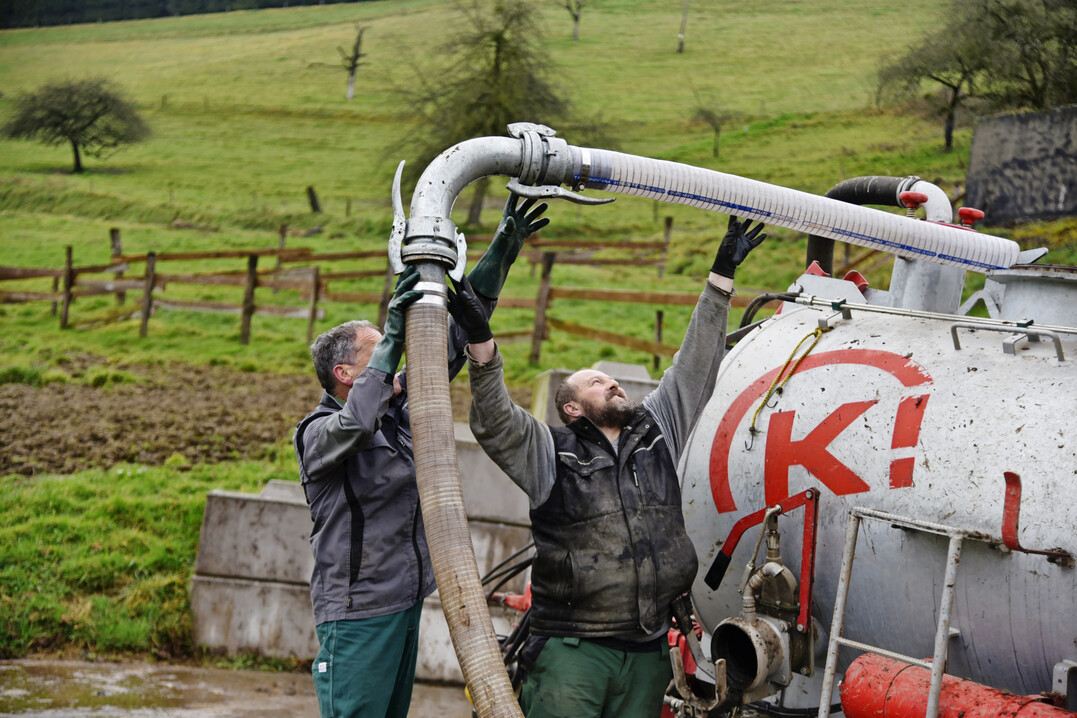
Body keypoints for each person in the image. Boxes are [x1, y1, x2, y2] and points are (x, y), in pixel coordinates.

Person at [448, 215, 767, 718]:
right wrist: (482, 343)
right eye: (596, 383)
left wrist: (721, 276)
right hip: (574, 654)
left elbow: (696, 364)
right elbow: (494, 422)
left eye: (612, 380)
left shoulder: (658, 431)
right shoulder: (549, 452)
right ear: (571, 408)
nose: (613, 384)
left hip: (647, 653)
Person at [293, 193, 548, 718]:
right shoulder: (318, 433)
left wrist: (503, 248)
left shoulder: (399, 409)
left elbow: (453, 338)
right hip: (357, 612)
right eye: (381, 350)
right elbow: (355, 424)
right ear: (345, 373)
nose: (396, 354)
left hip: (404, 602)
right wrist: (390, 336)